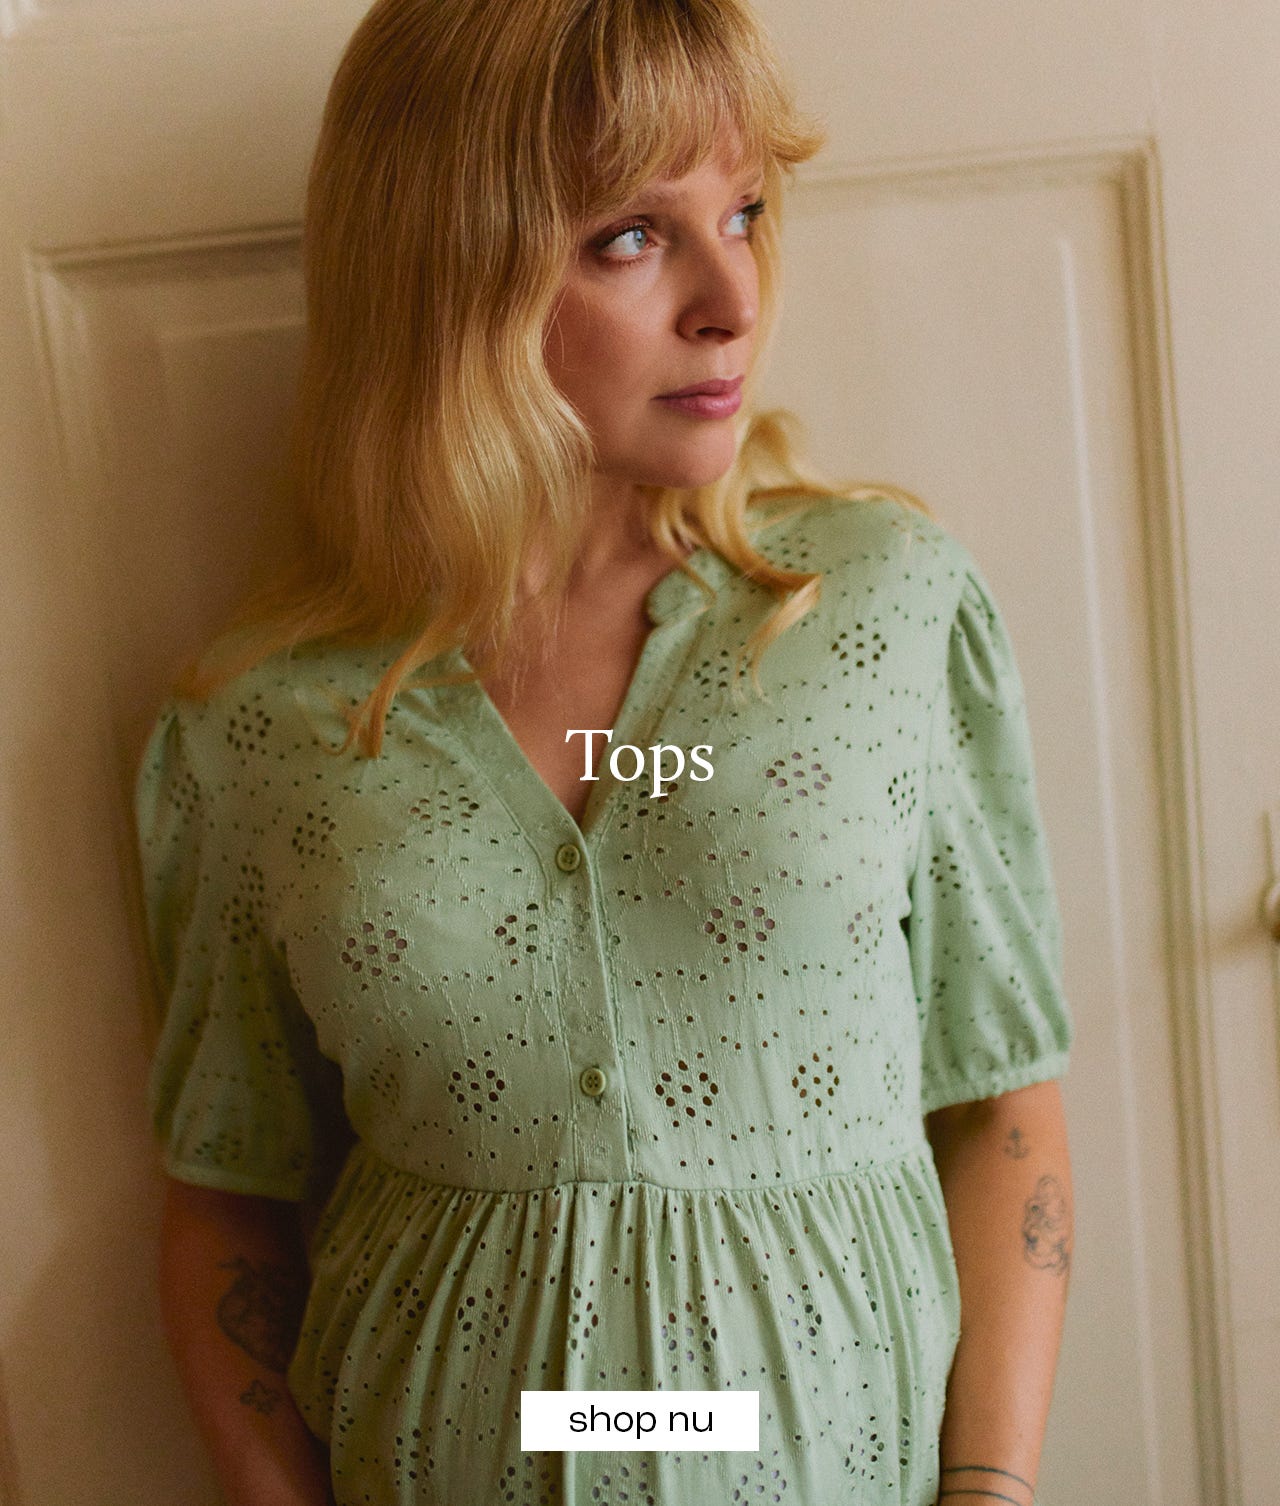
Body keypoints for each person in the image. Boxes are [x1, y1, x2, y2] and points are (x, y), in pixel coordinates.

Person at [133, 0, 1075, 1503]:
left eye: (745, 211)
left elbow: (1004, 1100)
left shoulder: (884, 612)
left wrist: (989, 1492)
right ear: (448, 276)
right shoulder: (262, 730)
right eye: (632, 237)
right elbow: (227, 1198)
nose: (732, 299)